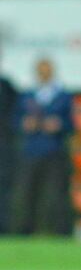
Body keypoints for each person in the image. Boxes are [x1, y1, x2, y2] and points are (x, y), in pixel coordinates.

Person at [13, 57, 73, 235]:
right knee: (27, 193)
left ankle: (61, 231)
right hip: (31, 151)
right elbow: (14, 120)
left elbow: (72, 123)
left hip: (55, 150)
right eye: (40, 70)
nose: (43, 73)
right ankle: (25, 230)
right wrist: (25, 124)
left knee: (57, 195)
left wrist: (59, 125)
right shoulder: (27, 95)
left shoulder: (63, 96)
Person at [0, 66, 19, 234]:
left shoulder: (6, 87)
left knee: (3, 189)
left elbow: (16, 117)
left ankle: (3, 229)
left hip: (3, 148)